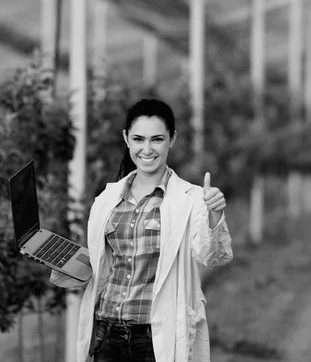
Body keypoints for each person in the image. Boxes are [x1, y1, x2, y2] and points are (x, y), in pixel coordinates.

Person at [50, 98, 233, 362]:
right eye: (138, 139)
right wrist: (61, 260)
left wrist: (215, 214)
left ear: (172, 139)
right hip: (107, 334)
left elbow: (215, 256)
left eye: (157, 139)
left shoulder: (190, 198)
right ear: (126, 139)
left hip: (154, 340)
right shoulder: (107, 199)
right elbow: (103, 268)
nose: (147, 149)